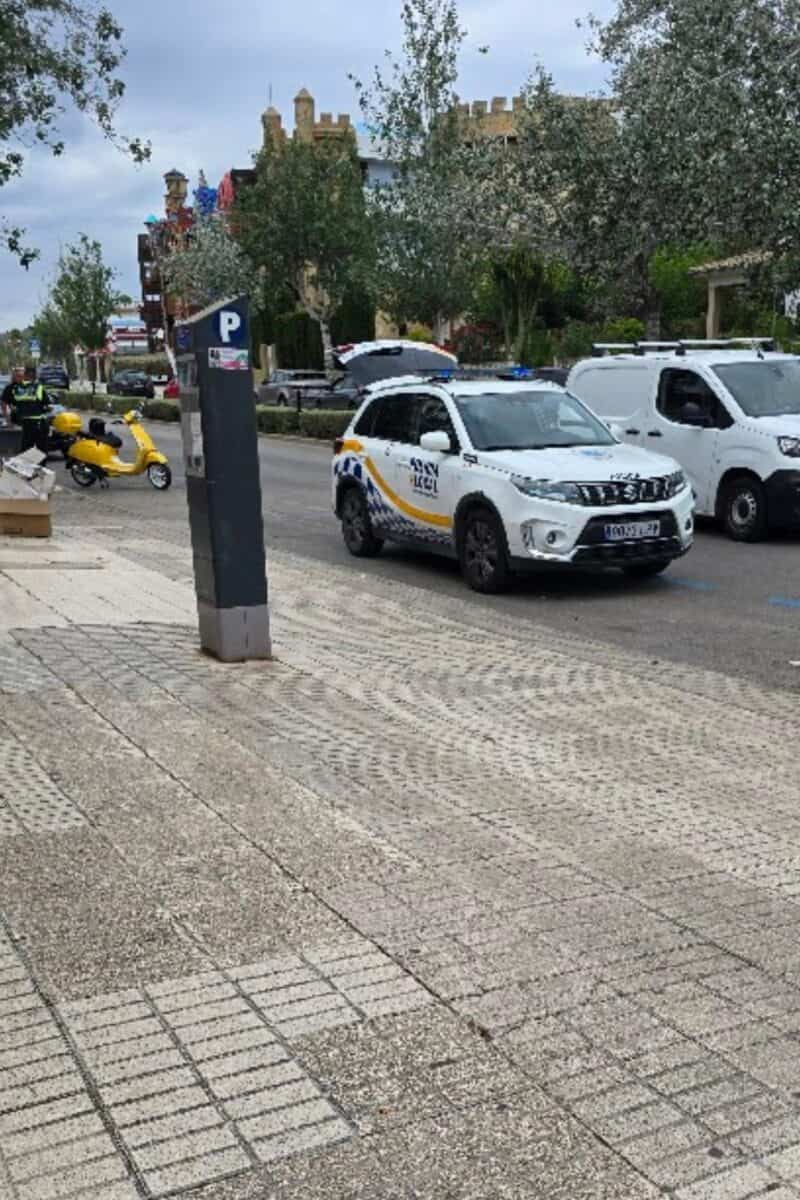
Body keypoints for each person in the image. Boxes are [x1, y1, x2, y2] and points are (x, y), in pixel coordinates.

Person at [11, 368, 50, 453]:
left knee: (26, 448)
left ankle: (26, 465)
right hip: (39, 422)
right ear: (34, 376)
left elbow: (14, 405)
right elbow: (47, 404)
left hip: (25, 423)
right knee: (41, 449)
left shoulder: (17, 388)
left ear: (25, 376)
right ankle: (41, 465)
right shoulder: (38, 387)